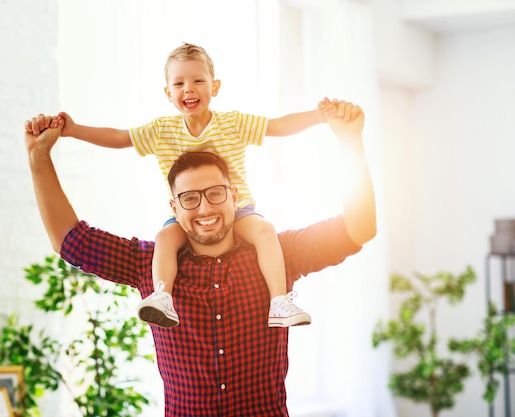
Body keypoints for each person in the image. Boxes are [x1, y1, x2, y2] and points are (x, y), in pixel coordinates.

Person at [24, 98, 375, 416]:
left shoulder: (278, 254)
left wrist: (350, 141)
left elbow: (359, 229)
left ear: (234, 196)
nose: (204, 207)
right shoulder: (149, 264)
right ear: (173, 207)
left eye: (215, 193)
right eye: (190, 198)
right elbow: (69, 240)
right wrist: (39, 158)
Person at [37, 42, 331, 329]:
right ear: (168, 93)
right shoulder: (161, 130)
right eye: (178, 84)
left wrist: (319, 116)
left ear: (214, 87)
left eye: (198, 80)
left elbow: (278, 126)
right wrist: (74, 131)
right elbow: (119, 138)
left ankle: (278, 301)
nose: (188, 89)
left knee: (265, 232)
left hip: (237, 211)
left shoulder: (234, 123)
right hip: (186, 216)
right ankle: (162, 295)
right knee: (164, 239)